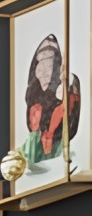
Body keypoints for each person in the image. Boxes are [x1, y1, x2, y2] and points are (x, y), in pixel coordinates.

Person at [23, 29, 81, 169]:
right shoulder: (33, 102)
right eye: (41, 65)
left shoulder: (64, 92)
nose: (44, 71)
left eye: (49, 65)